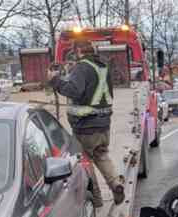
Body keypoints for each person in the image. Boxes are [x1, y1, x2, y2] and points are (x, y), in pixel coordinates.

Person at [47, 40, 124, 208]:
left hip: (84, 127)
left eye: (74, 52)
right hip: (103, 124)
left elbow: (74, 90)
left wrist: (55, 81)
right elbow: (90, 88)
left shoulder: (82, 67)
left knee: (85, 162)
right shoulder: (103, 66)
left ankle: (96, 198)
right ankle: (116, 184)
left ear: (79, 51)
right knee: (102, 155)